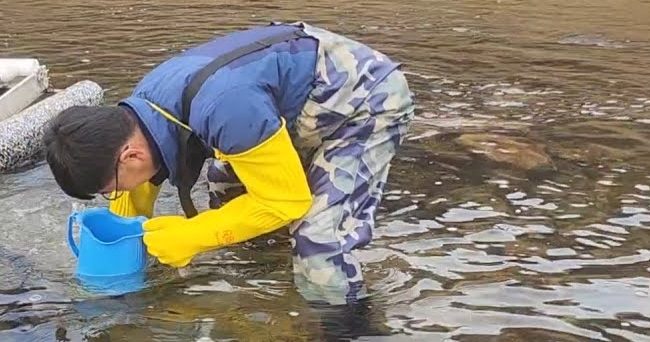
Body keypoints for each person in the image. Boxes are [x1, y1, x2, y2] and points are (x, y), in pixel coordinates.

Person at [43, 21, 414, 305]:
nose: (116, 195)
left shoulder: (225, 108)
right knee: (225, 186)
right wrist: (124, 247)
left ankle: (346, 338)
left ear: (130, 156)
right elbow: (136, 192)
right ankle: (269, 275)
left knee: (317, 236)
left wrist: (193, 236)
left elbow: (287, 201)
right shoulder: (134, 119)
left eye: (110, 191)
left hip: (364, 101)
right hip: (287, 107)